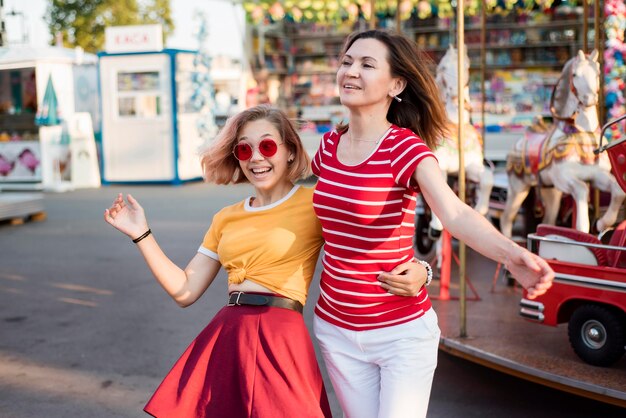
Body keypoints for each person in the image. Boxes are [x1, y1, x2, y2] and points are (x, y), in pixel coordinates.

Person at [103, 104, 426, 417]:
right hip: (229, 335)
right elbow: (185, 290)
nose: (256, 157)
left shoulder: (315, 203)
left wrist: (423, 270)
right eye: (244, 150)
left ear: (289, 151)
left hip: (281, 335)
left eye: (267, 146)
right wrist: (142, 234)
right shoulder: (225, 217)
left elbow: (364, 248)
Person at [310, 29, 555, 418]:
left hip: (398, 334)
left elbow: (454, 213)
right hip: (335, 330)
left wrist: (509, 254)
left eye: (367, 64)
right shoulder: (326, 149)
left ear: (397, 84)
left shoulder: (404, 149)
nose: (351, 71)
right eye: (347, 61)